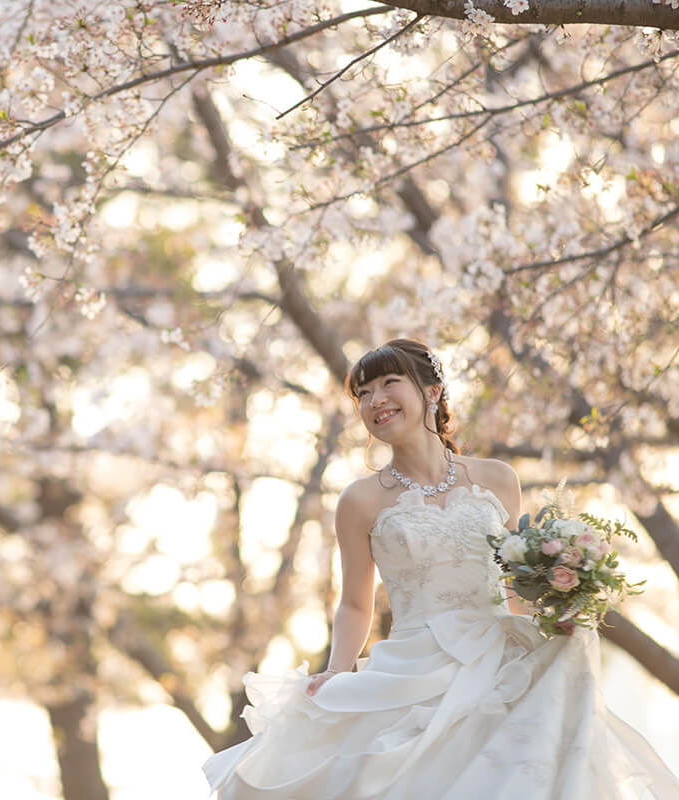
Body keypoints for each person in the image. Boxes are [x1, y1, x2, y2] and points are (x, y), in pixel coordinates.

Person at [202, 338, 679, 799]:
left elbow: (517, 583)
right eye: (363, 394)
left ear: (432, 391)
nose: (375, 400)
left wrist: (558, 612)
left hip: (500, 659)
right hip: (413, 664)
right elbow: (353, 602)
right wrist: (337, 671)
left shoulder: (497, 478)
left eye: (389, 383)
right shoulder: (360, 500)